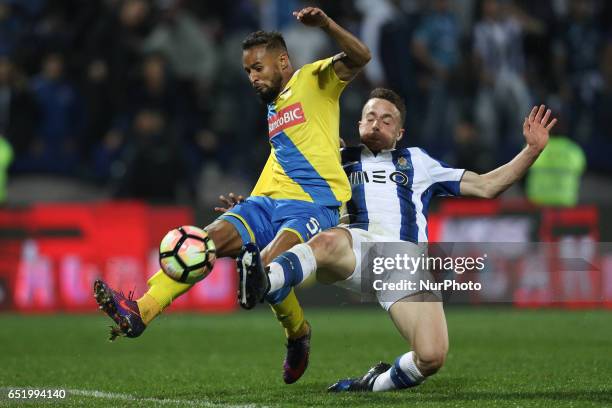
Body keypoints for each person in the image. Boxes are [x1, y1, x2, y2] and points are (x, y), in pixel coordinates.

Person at [93, 6, 371, 385]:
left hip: (314, 206)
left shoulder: (315, 80)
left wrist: (325, 25)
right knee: (203, 243)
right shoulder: (275, 108)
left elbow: (361, 56)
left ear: (283, 61)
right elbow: (283, 161)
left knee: (267, 266)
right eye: (247, 72)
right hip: (266, 203)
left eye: (258, 68)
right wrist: (249, 201)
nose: (252, 77)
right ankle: (140, 312)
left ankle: (298, 333)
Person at [237, 88, 557, 391]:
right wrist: (253, 209)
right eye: (371, 116)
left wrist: (531, 151)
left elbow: (487, 186)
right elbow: (287, 199)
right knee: (327, 242)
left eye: (387, 119)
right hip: (353, 248)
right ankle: (263, 280)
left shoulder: (419, 162)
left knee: (431, 356)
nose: (377, 122)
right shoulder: (333, 160)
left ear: (399, 132)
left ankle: (373, 384)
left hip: (403, 262)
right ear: (359, 123)